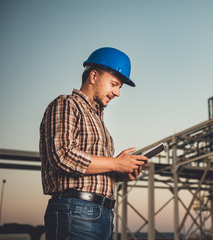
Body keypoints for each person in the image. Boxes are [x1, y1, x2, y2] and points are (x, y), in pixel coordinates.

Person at [39, 47, 148, 240]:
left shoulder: (99, 122)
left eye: (119, 88)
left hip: (101, 214)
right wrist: (115, 163)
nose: (117, 93)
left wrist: (119, 173)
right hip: (75, 211)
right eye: (114, 84)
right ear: (94, 76)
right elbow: (62, 156)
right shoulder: (66, 104)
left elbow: (90, 173)